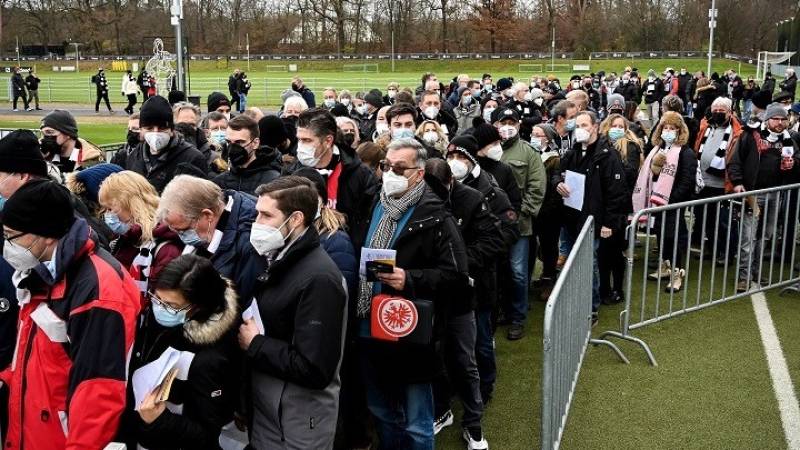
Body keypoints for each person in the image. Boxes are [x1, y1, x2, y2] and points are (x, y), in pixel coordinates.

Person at [0, 179, 140, 449]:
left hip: (63, 436)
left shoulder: (97, 288)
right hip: (36, 429)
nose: (7, 245)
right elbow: (38, 356)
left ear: (47, 234)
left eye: (11, 236)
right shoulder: (43, 271)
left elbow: (99, 391)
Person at [355, 138, 468, 450]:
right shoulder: (371, 202)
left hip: (409, 332)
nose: (390, 173)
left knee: (417, 422)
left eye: (399, 168)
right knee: (381, 410)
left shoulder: (437, 217)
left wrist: (410, 278)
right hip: (367, 326)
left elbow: (457, 276)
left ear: (418, 174)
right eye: (386, 166)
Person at [237, 176, 346, 448]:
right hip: (269, 413)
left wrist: (255, 344)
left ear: (296, 219)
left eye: (266, 215)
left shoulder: (319, 279)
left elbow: (314, 368)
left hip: (298, 421)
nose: (257, 223)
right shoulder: (277, 259)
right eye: (257, 214)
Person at [119, 253, 240, 450]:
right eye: (157, 298)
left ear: (197, 307)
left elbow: (206, 436)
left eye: (171, 306)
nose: (159, 308)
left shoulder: (210, 359)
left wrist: (160, 419)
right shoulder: (155, 319)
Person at [425, 156, 497, 449]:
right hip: (429, 294)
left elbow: (493, 240)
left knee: (466, 361)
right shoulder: (414, 201)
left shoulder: (472, 199)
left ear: (450, 182)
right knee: (434, 358)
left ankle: (473, 423)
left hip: (462, 296)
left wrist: (459, 263)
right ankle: (442, 410)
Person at [443, 134, 518, 404]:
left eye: (460, 157)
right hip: (450, 281)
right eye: (450, 156)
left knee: (481, 340)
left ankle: (485, 387)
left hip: (480, 279)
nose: (454, 162)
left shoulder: (491, 191)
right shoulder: (441, 189)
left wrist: (466, 257)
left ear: (472, 159)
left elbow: (507, 232)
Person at [555, 111, 628, 321]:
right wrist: (557, 183)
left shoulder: (607, 156)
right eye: (577, 125)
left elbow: (616, 192)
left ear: (595, 127)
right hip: (571, 218)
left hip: (592, 221)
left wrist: (609, 223)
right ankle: (573, 300)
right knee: (570, 263)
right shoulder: (573, 152)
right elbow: (557, 173)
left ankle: (591, 307)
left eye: (584, 125)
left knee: (589, 265)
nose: (580, 130)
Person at [158, 174, 263, 302]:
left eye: (185, 230)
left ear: (208, 215)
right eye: (175, 230)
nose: (182, 236)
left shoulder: (248, 242)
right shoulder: (206, 228)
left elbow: (244, 300)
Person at [729, 103, 800, 292]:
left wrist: (793, 164)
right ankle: (743, 276)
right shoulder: (750, 135)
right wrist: (737, 182)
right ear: (767, 119)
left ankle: (755, 271)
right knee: (748, 237)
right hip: (753, 194)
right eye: (776, 118)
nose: (780, 122)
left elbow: (797, 160)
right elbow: (735, 161)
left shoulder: (789, 139)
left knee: (766, 236)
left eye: (783, 119)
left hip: (775, 194)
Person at [289, 108, 379, 249]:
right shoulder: (291, 172)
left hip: (344, 250)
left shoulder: (360, 175)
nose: (300, 147)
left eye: (307, 140)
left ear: (328, 140)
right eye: (299, 139)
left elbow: (365, 223)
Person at [492, 106, 546, 340]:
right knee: (498, 270)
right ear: (495, 125)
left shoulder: (528, 152)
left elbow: (537, 187)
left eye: (511, 123)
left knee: (518, 272)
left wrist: (521, 212)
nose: (507, 127)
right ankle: (502, 310)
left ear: (518, 125)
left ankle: (518, 317)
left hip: (519, 224)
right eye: (503, 122)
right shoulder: (489, 150)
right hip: (492, 224)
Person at [634, 111, 698, 293]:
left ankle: (677, 273)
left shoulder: (685, 153)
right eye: (665, 127)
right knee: (660, 235)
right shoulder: (656, 149)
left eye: (672, 128)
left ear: (680, 131)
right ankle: (665, 265)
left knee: (674, 237)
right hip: (656, 201)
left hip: (674, 203)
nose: (668, 131)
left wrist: (671, 199)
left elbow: (687, 181)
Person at [115, 96, 209, 192]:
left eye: (162, 128)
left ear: (172, 129)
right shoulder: (134, 157)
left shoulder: (193, 158)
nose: (156, 133)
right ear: (141, 130)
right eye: (149, 128)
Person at [691, 97, 743, 264]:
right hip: (703, 182)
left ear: (730, 112)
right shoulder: (705, 126)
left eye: (722, 110)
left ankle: (726, 254)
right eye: (716, 110)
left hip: (722, 184)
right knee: (706, 219)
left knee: (724, 222)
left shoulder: (738, 132)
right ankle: (712, 248)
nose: (718, 113)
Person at [597, 113, 642, 304]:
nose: (617, 129)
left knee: (615, 251)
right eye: (614, 126)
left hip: (620, 206)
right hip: (603, 205)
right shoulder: (600, 146)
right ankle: (604, 288)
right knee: (603, 252)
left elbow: (629, 174)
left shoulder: (630, 147)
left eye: (621, 127)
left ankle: (617, 288)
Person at [530, 123, 563, 300]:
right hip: (533, 209)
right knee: (534, 246)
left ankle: (549, 280)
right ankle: (542, 276)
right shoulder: (530, 155)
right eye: (533, 134)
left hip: (549, 212)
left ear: (548, 139)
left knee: (549, 247)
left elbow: (554, 184)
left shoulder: (554, 159)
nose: (534, 138)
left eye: (538, 135)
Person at [212, 115, 280, 195]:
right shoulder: (220, 181)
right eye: (228, 142)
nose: (232, 148)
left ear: (255, 143)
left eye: (239, 142)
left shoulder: (273, 181)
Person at [40, 109, 105, 175]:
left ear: (67, 133)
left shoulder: (93, 162)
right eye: (42, 133)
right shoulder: (42, 157)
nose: (43, 138)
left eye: (50, 132)